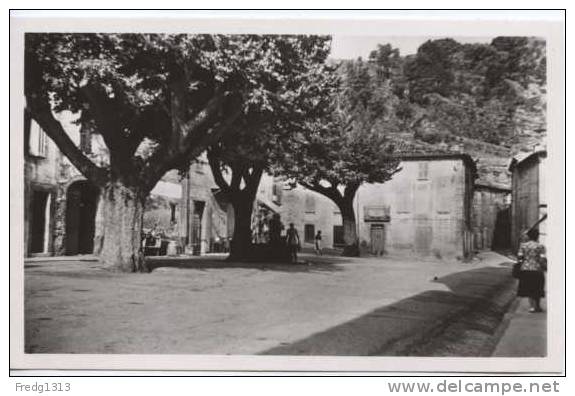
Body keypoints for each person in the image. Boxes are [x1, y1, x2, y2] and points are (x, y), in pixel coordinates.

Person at [516, 228, 547, 313]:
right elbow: (542, 259)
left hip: (526, 269)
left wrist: (523, 261)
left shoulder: (523, 246)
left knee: (529, 288)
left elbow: (519, 257)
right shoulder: (540, 246)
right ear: (537, 236)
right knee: (537, 288)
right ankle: (537, 306)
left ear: (529, 236)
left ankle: (532, 307)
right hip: (537, 270)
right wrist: (545, 267)